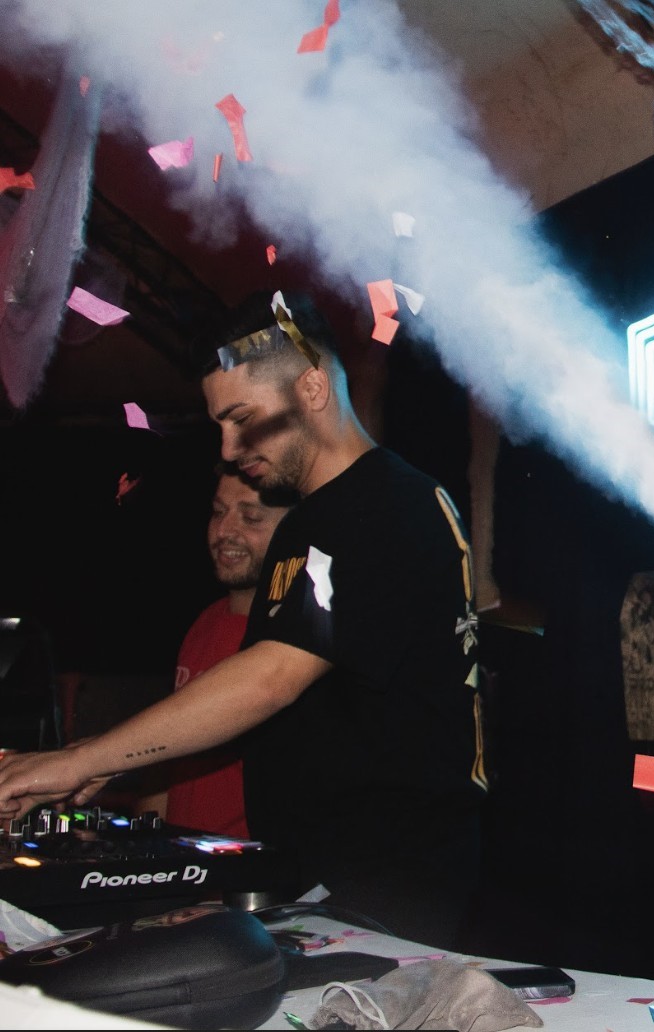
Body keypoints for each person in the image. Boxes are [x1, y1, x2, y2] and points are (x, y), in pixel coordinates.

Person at [0, 292, 489, 948]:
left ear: (312, 387)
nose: (229, 449)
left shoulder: (381, 505)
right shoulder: (322, 515)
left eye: (242, 419)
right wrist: (105, 771)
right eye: (219, 426)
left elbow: (268, 679)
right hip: (332, 876)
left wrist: (79, 757)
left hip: (392, 878)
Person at [137, 465, 293, 837]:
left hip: (253, 883)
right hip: (189, 877)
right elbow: (171, 764)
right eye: (219, 511)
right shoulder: (204, 621)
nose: (225, 531)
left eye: (251, 517)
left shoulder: (295, 641)